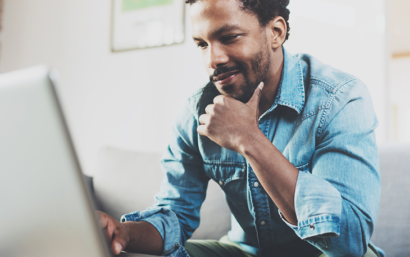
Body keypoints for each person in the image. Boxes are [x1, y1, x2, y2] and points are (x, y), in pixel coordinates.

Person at [97, 0, 384, 256]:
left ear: (276, 32)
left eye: (229, 37)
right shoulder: (196, 112)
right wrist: (125, 234)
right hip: (243, 251)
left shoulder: (339, 99)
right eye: (202, 44)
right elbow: (175, 215)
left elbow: (350, 242)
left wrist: (249, 138)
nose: (213, 60)